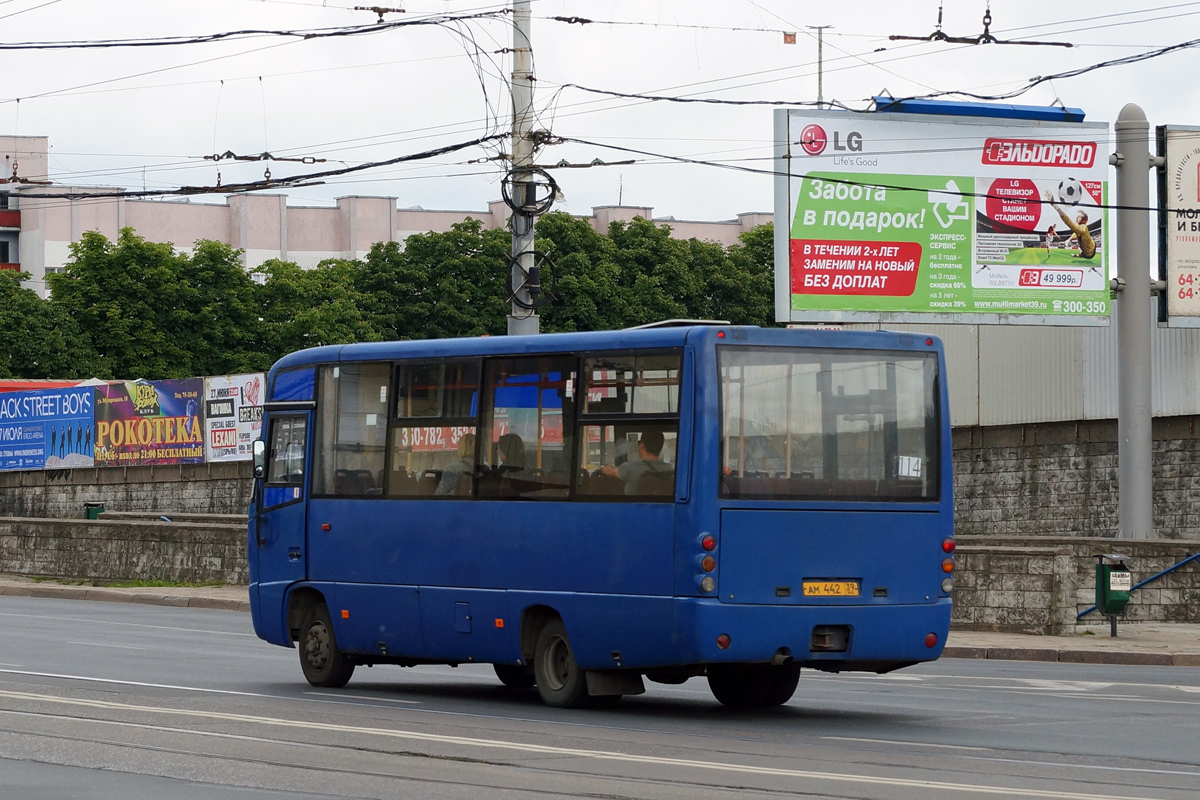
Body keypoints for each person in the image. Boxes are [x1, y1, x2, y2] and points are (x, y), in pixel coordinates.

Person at [599, 430, 673, 495]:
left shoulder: (629, 468)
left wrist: (602, 468)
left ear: (642, 446)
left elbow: (609, 471)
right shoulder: (668, 468)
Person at [1044, 191, 1097, 259]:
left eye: (1079, 217)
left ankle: (1078, 255)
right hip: (1089, 249)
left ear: (1084, 220)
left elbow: (1068, 222)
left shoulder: (1082, 228)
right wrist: (1069, 240)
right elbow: (1076, 233)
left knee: (1083, 254)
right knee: (1081, 253)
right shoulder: (1080, 229)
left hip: (1090, 253)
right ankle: (1076, 255)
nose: (1077, 218)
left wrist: (1055, 205)